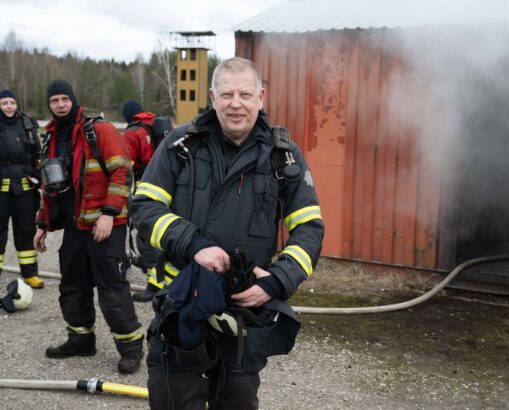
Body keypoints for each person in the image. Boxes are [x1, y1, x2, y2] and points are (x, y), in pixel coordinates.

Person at [131, 57, 324, 409]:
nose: (236, 103)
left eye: (245, 94)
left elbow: (309, 228)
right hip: (181, 305)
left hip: (244, 315)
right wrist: (193, 244)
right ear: (212, 96)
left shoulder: (284, 158)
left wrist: (277, 281)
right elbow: (144, 207)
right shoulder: (180, 145)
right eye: (227, 94)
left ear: (261, 97)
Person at [33, 80, 144, 373]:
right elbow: (49, 185)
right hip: (74, 228)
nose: (59, 104)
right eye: (54, 100)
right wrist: (42, 224)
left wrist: (108, 214)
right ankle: (81, 340)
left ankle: (131, 348)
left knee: (112, 289)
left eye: (64, 99)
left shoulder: (99, 131)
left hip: (105, 225)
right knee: (72, 287)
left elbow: (123, 171)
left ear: (73, 100)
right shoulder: (51, 138)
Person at [0, 89, 43, 289]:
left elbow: (37, 153)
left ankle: (30, 273)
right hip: (2, 191)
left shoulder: (26, 124)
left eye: (12, 102)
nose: (9, 106)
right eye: (4, 103)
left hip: (25, 190)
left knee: (26, 231)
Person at [121, 99, 163, 302]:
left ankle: (154, 287)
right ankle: (149, 265)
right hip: (166, 184)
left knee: (146, 237)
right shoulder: (155, 124)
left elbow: (125, 167)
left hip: (147, 185)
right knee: (161, 231)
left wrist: (120, 194)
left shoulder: (132, 132)